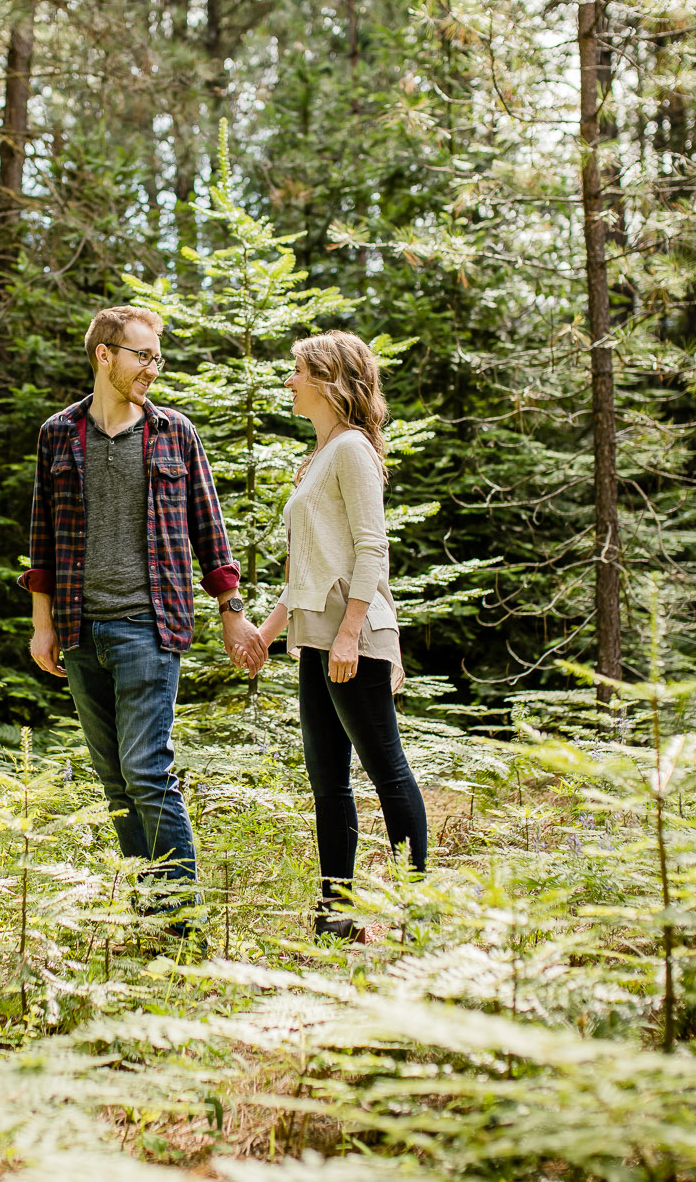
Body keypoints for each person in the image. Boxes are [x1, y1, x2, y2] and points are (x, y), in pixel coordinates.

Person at [21, 306, 266, 924]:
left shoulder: (174, 434)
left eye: (157, 357)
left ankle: (184, 925)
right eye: (143, 355)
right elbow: (42, 538)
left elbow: (211, 533)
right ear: (105, 354)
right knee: (115, 784)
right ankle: (152, 917)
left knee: (147, 772)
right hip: (79, 629)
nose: (153, 368)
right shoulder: (59, 434)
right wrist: (41, 623)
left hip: (150, 627)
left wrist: (232, 611)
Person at [252, 330, 428, 940]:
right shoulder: (321, 453)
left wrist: (351, 633)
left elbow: (371, 548)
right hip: (318, 640)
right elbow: (308, 570)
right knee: (328, 782)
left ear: (329, 380)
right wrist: (269, 634)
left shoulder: (352, 448)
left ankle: (413, 913)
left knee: (387, 772)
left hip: (355, 639)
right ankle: (335, 916)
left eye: (296, 372)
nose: (289, 382)